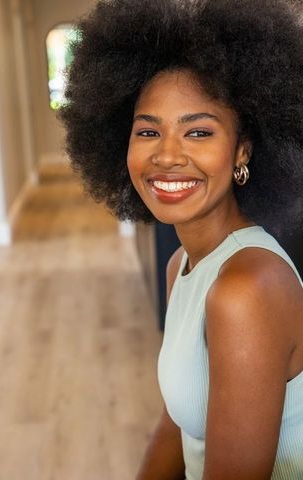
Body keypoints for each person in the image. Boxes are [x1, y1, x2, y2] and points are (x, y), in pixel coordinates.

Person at [59, 0, 303, 478]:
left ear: (242, 150)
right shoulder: (183, 267)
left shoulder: (247, 289)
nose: (168, 156)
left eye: (198, 131)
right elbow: (176, 425)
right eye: (148, 130)